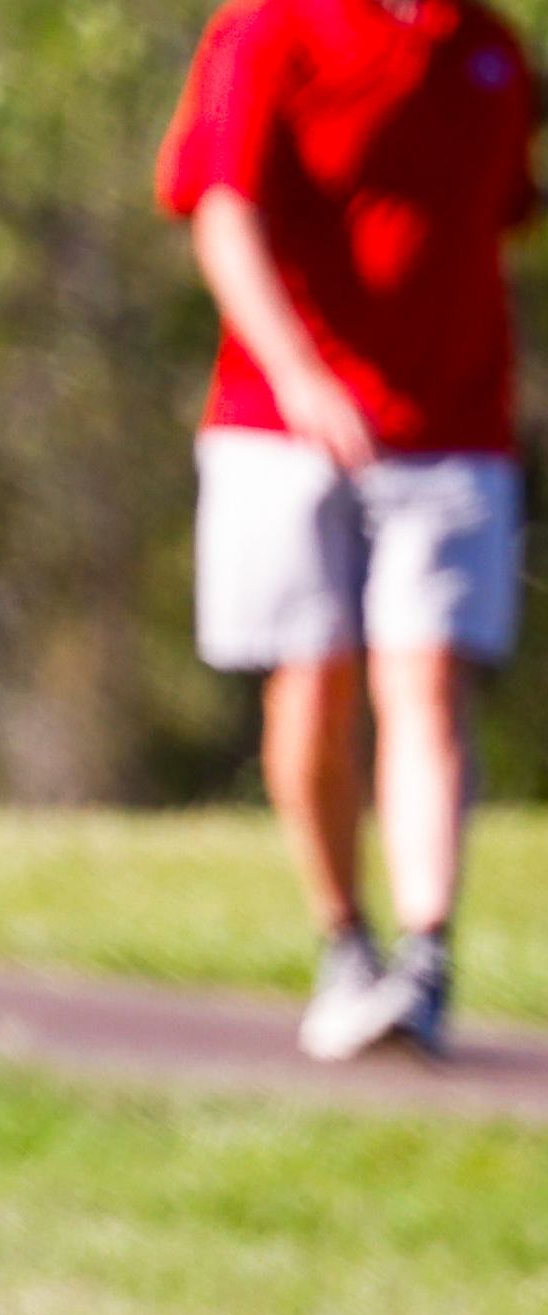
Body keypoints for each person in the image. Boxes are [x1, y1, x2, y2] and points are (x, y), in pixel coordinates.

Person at [156, 0, 536, 1061]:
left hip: (455, 430)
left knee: (426, 682)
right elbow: (221, 214)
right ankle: (345, 941)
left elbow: (497, 209)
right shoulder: (271, 28)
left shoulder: (487, 48)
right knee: (314, 680)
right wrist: (301, 374)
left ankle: (425, 957)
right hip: (282, 429)